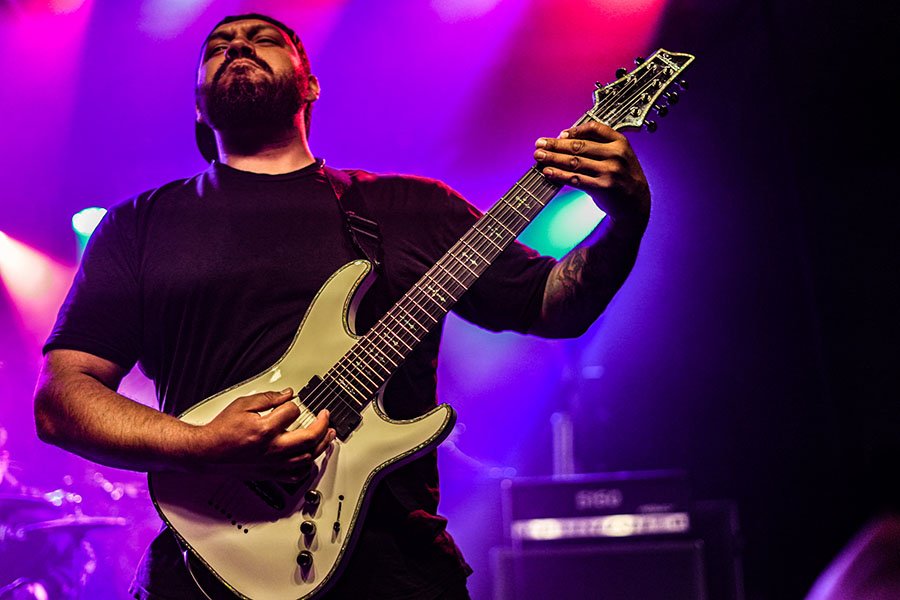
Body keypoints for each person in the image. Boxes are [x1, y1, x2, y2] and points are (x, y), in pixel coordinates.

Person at [33, 12, 651, 600]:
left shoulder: (412, 209)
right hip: (204, 570)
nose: (238, 46)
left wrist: (627, 221)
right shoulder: (140, 226)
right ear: (198, 104)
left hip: (398, 573)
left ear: (310, 85)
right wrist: (202, 442)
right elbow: (62, 398)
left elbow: (552, 304)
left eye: (263, 39)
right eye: (217, 47)